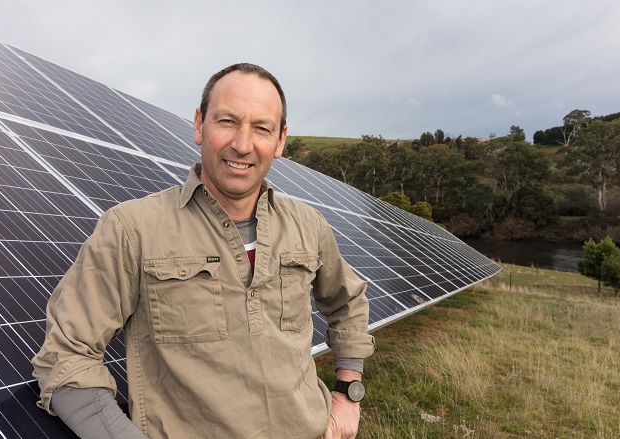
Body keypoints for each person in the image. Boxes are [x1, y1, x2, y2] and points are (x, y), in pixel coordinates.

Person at [32, 63, 375, 439]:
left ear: (280, 141)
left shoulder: (308, 225)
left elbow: (347, 303)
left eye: (261, 128)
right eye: (227, 121)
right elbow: (65, 358)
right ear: (199, 125)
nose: (242, 144)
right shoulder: (133, 229)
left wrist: (348, 392)